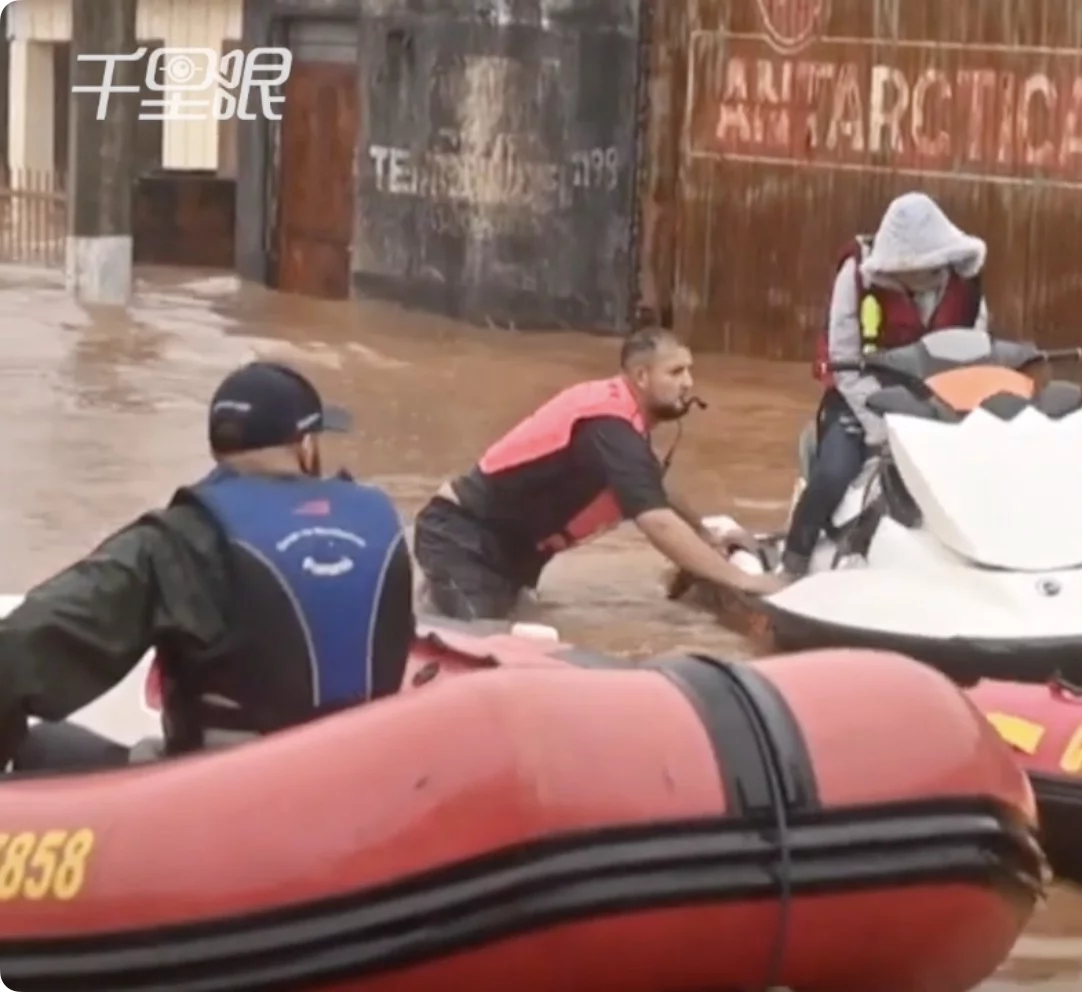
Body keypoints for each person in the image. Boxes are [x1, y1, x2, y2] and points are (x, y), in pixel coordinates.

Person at [0, 361, 415, 771]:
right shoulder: (379, 519)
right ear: (306, 445)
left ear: (218, 451)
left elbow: (18, 650)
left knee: (43, 745)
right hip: (366, 790)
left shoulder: (182, 538)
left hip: (222, 800)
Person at [413, 328, 785, 620]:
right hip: (462, 540)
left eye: (689, 371)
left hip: (507, 554)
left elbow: (656, 490)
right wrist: (743, 581)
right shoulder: (610, 428)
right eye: (676, 371)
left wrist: (705, 534)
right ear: (641, 375)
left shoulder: (622, 428)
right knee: (481, 644)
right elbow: (657, 522)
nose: (688, 383)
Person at [780, 191, 992, 575]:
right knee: (834, 474)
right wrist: (880, 427)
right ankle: (793, 560)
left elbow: (975, 354)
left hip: (935, 399)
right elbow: (843, 360)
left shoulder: (967, 284)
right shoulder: (857, 274)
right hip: (861, 396)